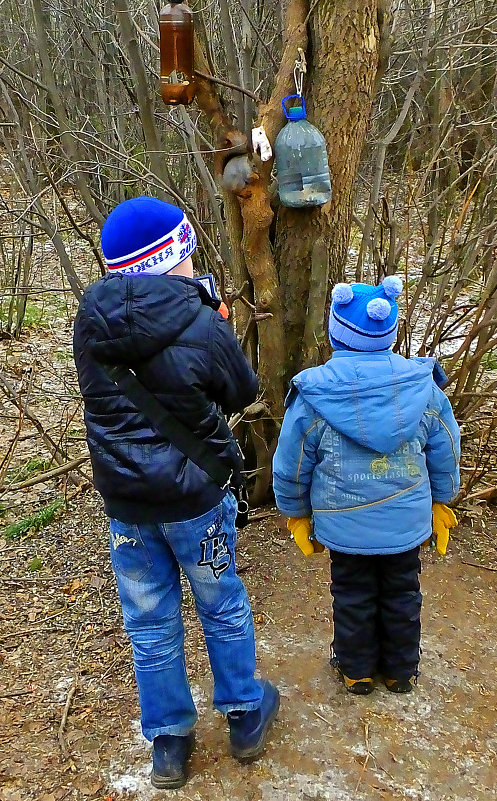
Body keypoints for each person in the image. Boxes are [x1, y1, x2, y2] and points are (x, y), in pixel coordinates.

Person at [73, 196, 279, 789]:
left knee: (149, 620)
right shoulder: (199, 321)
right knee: (222, 604)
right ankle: (244, 713)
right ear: (178, 254)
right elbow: (240, 393)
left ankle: (168, 741)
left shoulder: (91, 322)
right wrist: (213, 321)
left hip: (128, 504)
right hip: (196, 498)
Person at [272, 276, 460, 695]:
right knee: (402, 593)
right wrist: (443, 499)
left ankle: (356, 670)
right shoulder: (422, 387)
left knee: (353, 594)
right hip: (406, 523)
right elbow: (446, 448)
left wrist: (296, 512)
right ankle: (400, 671)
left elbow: (292, 463)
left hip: (344, 526)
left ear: (336, 329)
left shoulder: (315, 393)